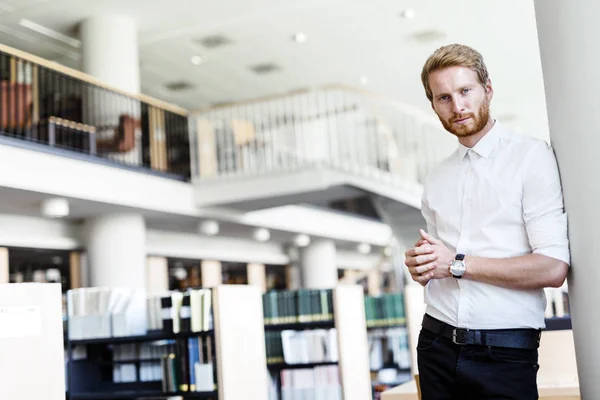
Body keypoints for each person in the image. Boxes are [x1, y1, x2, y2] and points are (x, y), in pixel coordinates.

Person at [404, 43, 570, 399]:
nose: (457, 106)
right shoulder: (436, 177)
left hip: (505, 352)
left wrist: (457, 265)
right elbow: (440, 261)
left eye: (465, 91)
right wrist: (423, 265)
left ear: (488, 89)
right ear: (432, 105)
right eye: (443, 97)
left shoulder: (531, 158)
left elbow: (553, 268)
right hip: (436, 341)